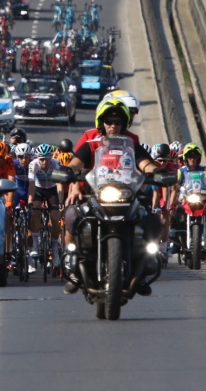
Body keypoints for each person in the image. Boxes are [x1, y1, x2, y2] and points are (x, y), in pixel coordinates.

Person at [61, 99, 165, 294]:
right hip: (95, 196)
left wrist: (156, 172)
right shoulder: (90, 143)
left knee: (149, 219)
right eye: (109, 121)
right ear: (101, 123)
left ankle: (144, 267)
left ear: (124, 124)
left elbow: (145, 163)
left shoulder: (132, 144)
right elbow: (76, 162)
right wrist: (66, 171)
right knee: (72, 215)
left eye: (117, 122)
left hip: (126, 196)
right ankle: (72, 262)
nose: (113, 126)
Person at [169, 143, 206, 255]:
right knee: (175, 208)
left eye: (194, 156)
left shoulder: (205, 169)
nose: (192, 159)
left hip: (203, 197)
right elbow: (175, 182)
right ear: (185, 158)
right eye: (189, 156)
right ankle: (176, 242)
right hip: (186, 198)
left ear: (198, 158)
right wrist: (174, 184)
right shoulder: (181, 171)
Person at [27, 144, 65, 273]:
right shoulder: (33, 164)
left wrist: (61, 202)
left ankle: (54, 250)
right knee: (35, 210)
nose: (44, 162)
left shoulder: (56, 163)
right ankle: (36, 245)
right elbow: (31, 185)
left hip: (52, 190)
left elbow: (59, 184)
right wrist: (30, 202)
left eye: (47, 159)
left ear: (51, 158)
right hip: (38, 189)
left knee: (55, 218)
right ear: (38, 158)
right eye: (41, 159)